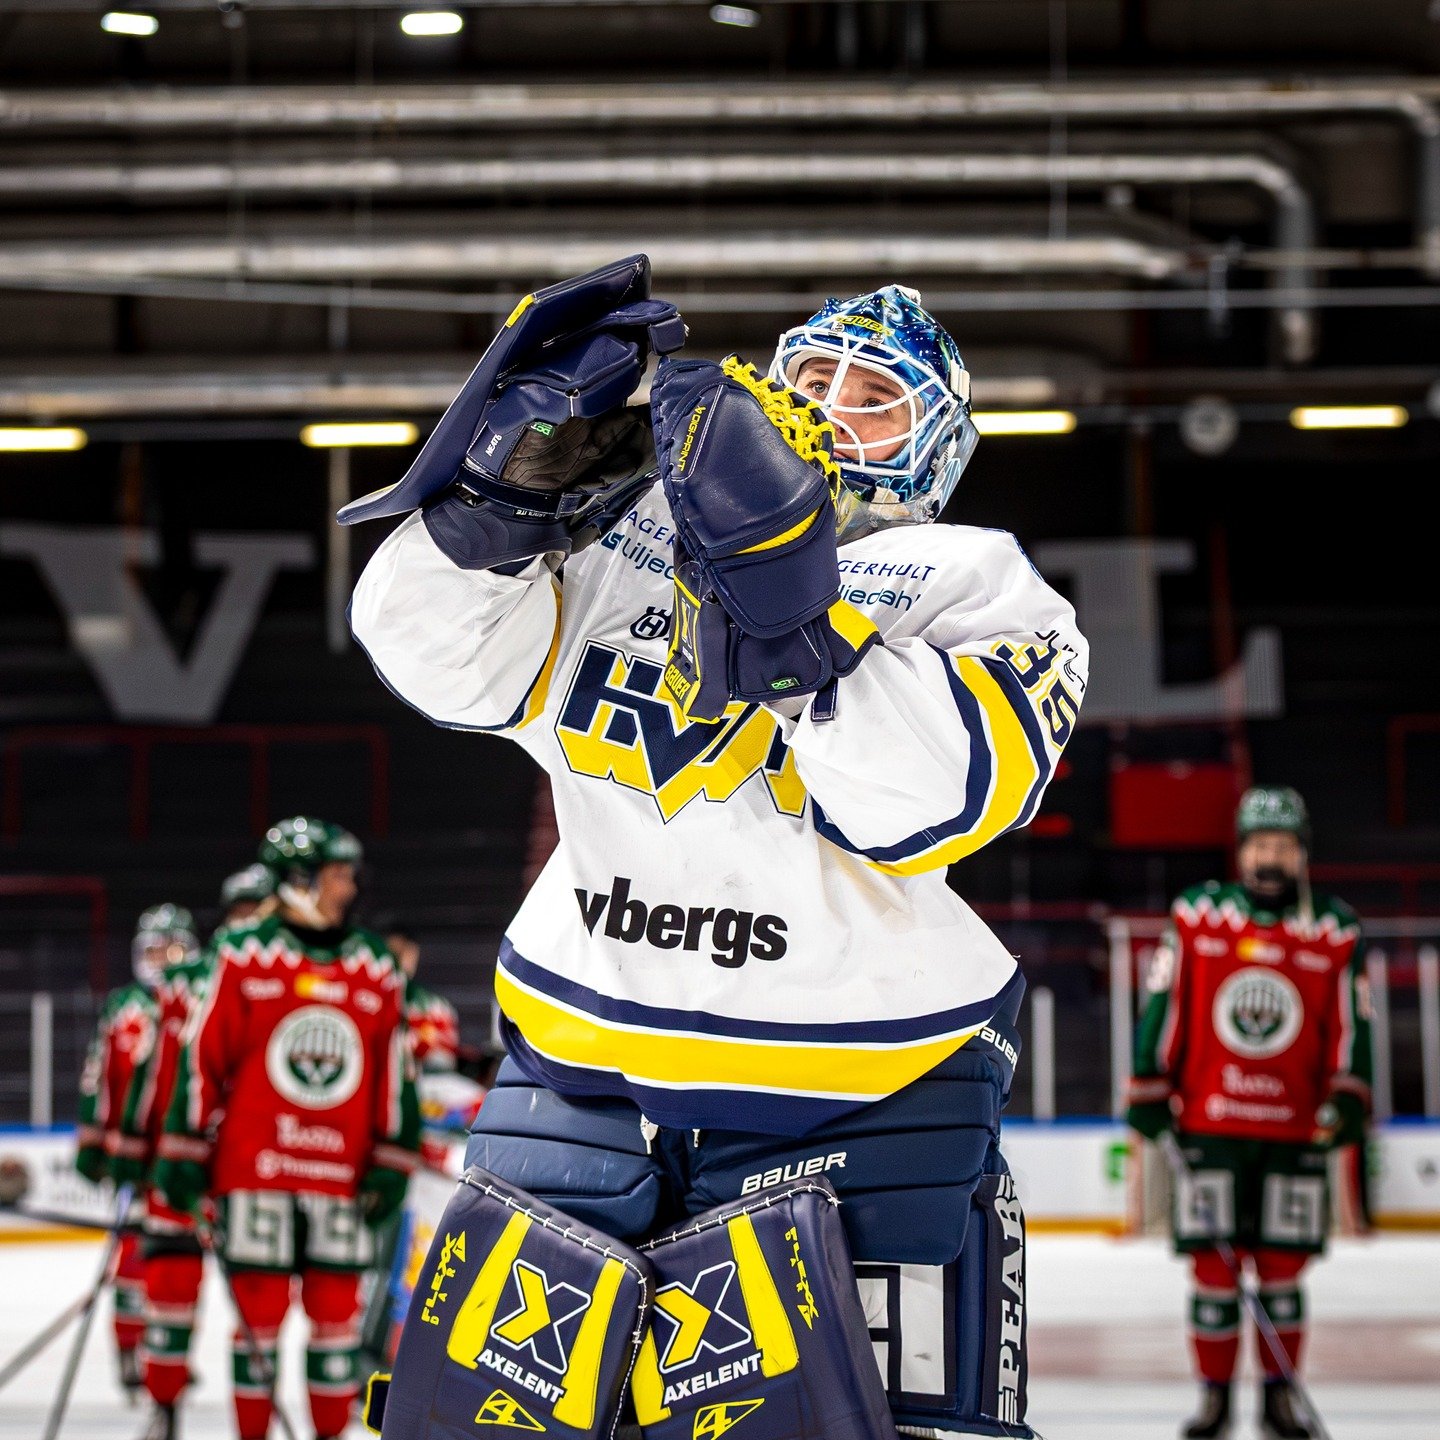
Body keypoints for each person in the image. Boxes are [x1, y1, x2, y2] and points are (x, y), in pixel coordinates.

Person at [348, 267, 1086, 1440]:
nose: (832, 403)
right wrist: (495, 509)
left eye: (877, 396)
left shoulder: (973, 582)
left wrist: (782, 597)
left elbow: (926, 801)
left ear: (936, 446)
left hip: (854, 1084)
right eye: (811, 374)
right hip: (584, 1067)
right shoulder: (629, 532)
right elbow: (442, 661)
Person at [151, 817, 420, 1440]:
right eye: (336, 875)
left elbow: (393, 1075)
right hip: (254, 1170)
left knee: (337, 1323)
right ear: (297, 879)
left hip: (343, 1176)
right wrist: (185, 1154)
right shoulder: (242, 955)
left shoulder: (374, 965)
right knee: (258, 1322)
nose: (348, 888)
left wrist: (393, 1157)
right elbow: (202, 1062)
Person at [1126, 786, 1371, 1440]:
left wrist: (1350, 1095)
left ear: (1301, 853)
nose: (1271, 857)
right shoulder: (1200, 916)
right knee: (1213, 1273)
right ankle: (1214, 1401)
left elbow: (1353, 1025)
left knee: (1284, 1273)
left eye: (1284, 846)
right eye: (1260, 845)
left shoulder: (1335, 930)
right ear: (1241, 850)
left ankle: (1279, 1399)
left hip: (1295, 1130)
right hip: (1209, 1125)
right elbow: (1163, 1003)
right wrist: (1148, 1079)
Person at [115, 871, 258, 1436]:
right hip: (177, 1170)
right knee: (167, 1291)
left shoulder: (282, 978)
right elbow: (154, 1082)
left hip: (247, 1172)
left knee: (258, 1304)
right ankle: (163, 1401)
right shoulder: (183, 989)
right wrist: (130, 1148)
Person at [76, 904, 198, 1399]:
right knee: (131, 1257)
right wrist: (94, 1140)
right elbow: (97, 1079)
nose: (163, 959)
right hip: (132, 1154)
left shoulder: (199, 1000)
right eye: (154, 949)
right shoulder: (121, 1007)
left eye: (173, 949)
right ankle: (129, 1346)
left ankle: (166, 1352)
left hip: (182, 1157)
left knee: (177, 1267)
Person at [386, 921, 462, 1075]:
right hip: (386, 1077)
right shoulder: (369, 1000)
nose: (399, 961)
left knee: (479, 1098)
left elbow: (446, 1056)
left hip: (430, 1081)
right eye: (394, 953)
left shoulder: (435, 1006)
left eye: (405, 953)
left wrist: (412, 1043)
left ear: (415, 954)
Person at [217, 862, 276, 929]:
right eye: (239, 911)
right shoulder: (224, 936)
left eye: (253, 908)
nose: (248, 916)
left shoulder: (281, 933)